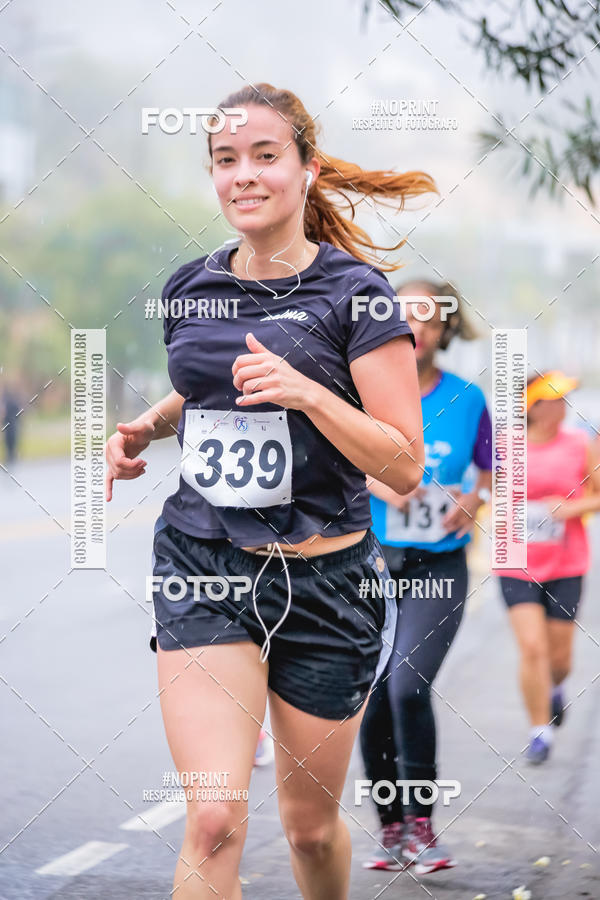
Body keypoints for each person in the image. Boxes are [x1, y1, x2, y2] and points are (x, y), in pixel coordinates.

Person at [105, 82, 436, 899]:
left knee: (310, 828)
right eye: (225, 160)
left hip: (327, 581)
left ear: (306, 169)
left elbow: (403, 466)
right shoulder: (190, 287)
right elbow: (212, 386)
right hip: (203, 564)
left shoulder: (355, 295)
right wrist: (146, 426)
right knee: (214, 818)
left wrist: (310, 393)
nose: (242, 175)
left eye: (264, 156)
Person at [359, 280, 492, 874]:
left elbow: (497, 468)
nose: (414, 329)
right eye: (400, 316)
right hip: (366, 565)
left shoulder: (467, 398)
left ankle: (422, 827)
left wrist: (477, 497)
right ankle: (391, 829)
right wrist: (375, 480)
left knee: (407, 685)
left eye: (426, 319)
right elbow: (328, 457)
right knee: (372, 698)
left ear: (443, 330)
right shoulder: (361, 392)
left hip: (437, 564)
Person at [496, 371, 600, 765]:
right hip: (516, 562)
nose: (562, 407)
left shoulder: (578, 445)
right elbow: (491, 492)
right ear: (533, 408)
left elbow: (598, 495)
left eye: (564, 399)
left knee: (560, 660)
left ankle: (556, 689)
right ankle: (539, 731)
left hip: (566, 562)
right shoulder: (507, 445)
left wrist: (570, 507)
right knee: (533, 648)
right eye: (554, 400)